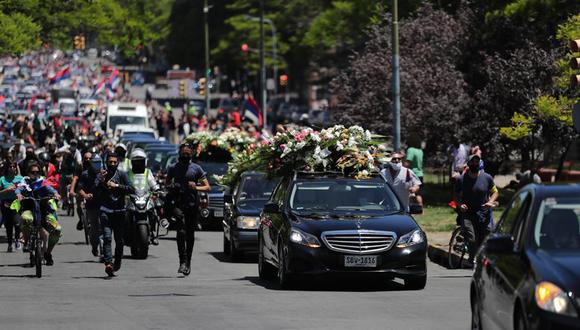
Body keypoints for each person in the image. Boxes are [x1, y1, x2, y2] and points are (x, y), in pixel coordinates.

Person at [165, 144, 210, 276]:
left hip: (192, 205)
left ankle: (188, 262)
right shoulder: (173, 168)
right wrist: (173, 186)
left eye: (188, 153)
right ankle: (182, 262)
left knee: (190, 234)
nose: (185, 155)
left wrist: (195, 187)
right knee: (181, 231)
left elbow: (207, 187)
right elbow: (166, 184)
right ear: (179, 153)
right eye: (183, 153)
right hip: (178, 204)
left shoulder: (196, 169)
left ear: (191, 154)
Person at [94, 152, 135, 277]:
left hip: (120, 213)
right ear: (106, 162)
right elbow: (94, 189)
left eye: (114, 162)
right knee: (107, 238)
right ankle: (108, 264)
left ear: (117, 163)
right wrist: (100, 179)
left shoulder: (122, 174)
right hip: (105, 211)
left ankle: (117, 262)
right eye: (110, 162)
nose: (112, 164)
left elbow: (131, 189)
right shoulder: (102, 175)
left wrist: (116, 185)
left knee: (119, 241)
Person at [454, 154, 499, 264]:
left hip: (484, 213)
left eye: (477, 162)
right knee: (472, 238)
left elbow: (495, 192)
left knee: (487, 237)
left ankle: (485, 260)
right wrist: (460, 205)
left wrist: (491, 202)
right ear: (468, 164)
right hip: (468, 213)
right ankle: (472, 259)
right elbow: (455, 194)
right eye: (473, 162)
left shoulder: (487, 177)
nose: (475, 164)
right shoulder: (461, 179)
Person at [16, 162, 62, 266]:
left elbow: (50, 189)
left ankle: (48, 253)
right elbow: (19, 189)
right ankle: (26, 242)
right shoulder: (25, 182)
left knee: (57, 230)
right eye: (33, 172)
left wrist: (56, 194)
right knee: (25, 218)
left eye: (37, 172)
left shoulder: (42, 182)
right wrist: (18, 194)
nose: (35, 174)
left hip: (44, 211)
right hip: (30, 210)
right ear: (28, 173)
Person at [127, 149, 160, 245]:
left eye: (140, 161)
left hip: (145, 197)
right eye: (135, 161)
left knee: (153, 211)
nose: (138, 164)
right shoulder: (128, 173)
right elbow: (123, 184)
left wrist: (156, 189)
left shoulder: (147, 172)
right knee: (125, 214)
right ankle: (125, 233)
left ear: (144, 161)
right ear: (132, 162)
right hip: (132, 198)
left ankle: (153, 232)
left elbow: (153, 183)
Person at [78, 154, 104, 259]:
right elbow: (79, 188)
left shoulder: (104, 173)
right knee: (94, 228)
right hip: (91, 205)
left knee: (103, 227)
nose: (97, 165)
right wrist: (85, 195)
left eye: (99, 163)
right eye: (95, 163)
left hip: (103, 205)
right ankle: (94, 246)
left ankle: (103, 250)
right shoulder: (85, 174)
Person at [0, 161, 23, 252]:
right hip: (5, 203)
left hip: (16, 203)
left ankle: (17, 240)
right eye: (10, 166)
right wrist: (7, 190)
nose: (12, 168)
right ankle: (10, 244)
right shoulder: (2, 179)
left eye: (14, 166)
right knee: (8, 225)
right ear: (7, 168)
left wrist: (21, 194)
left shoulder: (20, 178)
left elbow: (26, 189)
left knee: (17, 224)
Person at [406, 137, 424, 208]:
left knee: (410, 192)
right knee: (418, 193)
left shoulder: (411, 150)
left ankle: (410, 209)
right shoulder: (420, 151)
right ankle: (421, 208)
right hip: (420, 174)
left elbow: (408, 161)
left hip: (412, 174)